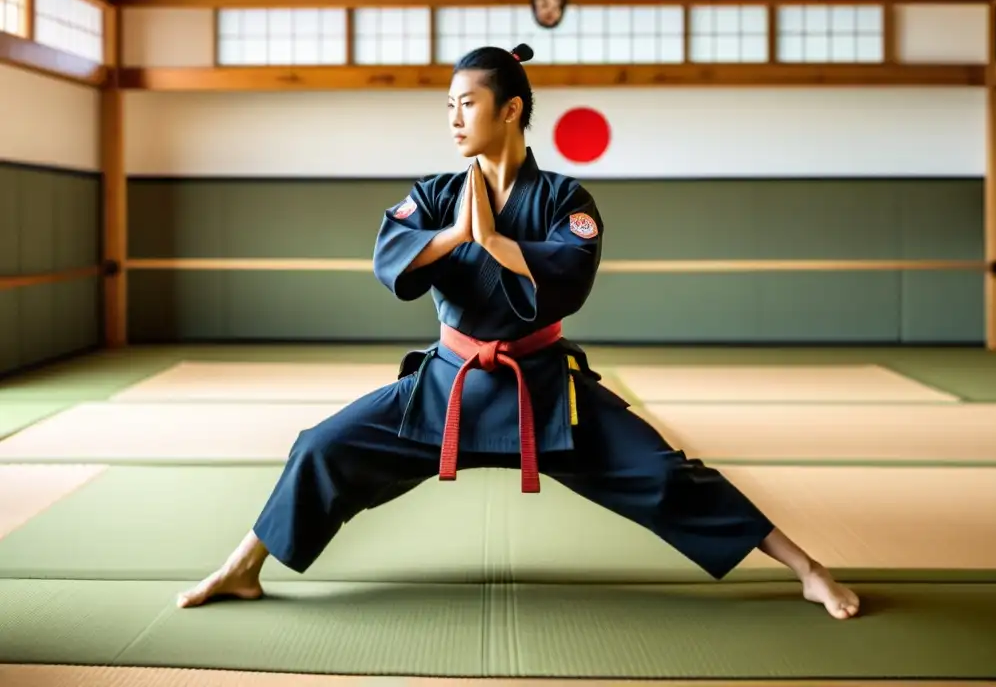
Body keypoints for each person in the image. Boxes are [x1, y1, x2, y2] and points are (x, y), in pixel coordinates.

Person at [177, 43, 860, 620]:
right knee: (322, 447)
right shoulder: (439, 193)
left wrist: (498, 242)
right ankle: (242, 567)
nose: (453, 119)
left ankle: (807, 568)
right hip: (447, 386)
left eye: (466, 103)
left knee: (663, 475)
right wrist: (453, 235)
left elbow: (571, 270)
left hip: (542, 391)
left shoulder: (565, 199)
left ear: (511, 110)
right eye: (447, 106)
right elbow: (392, 254)